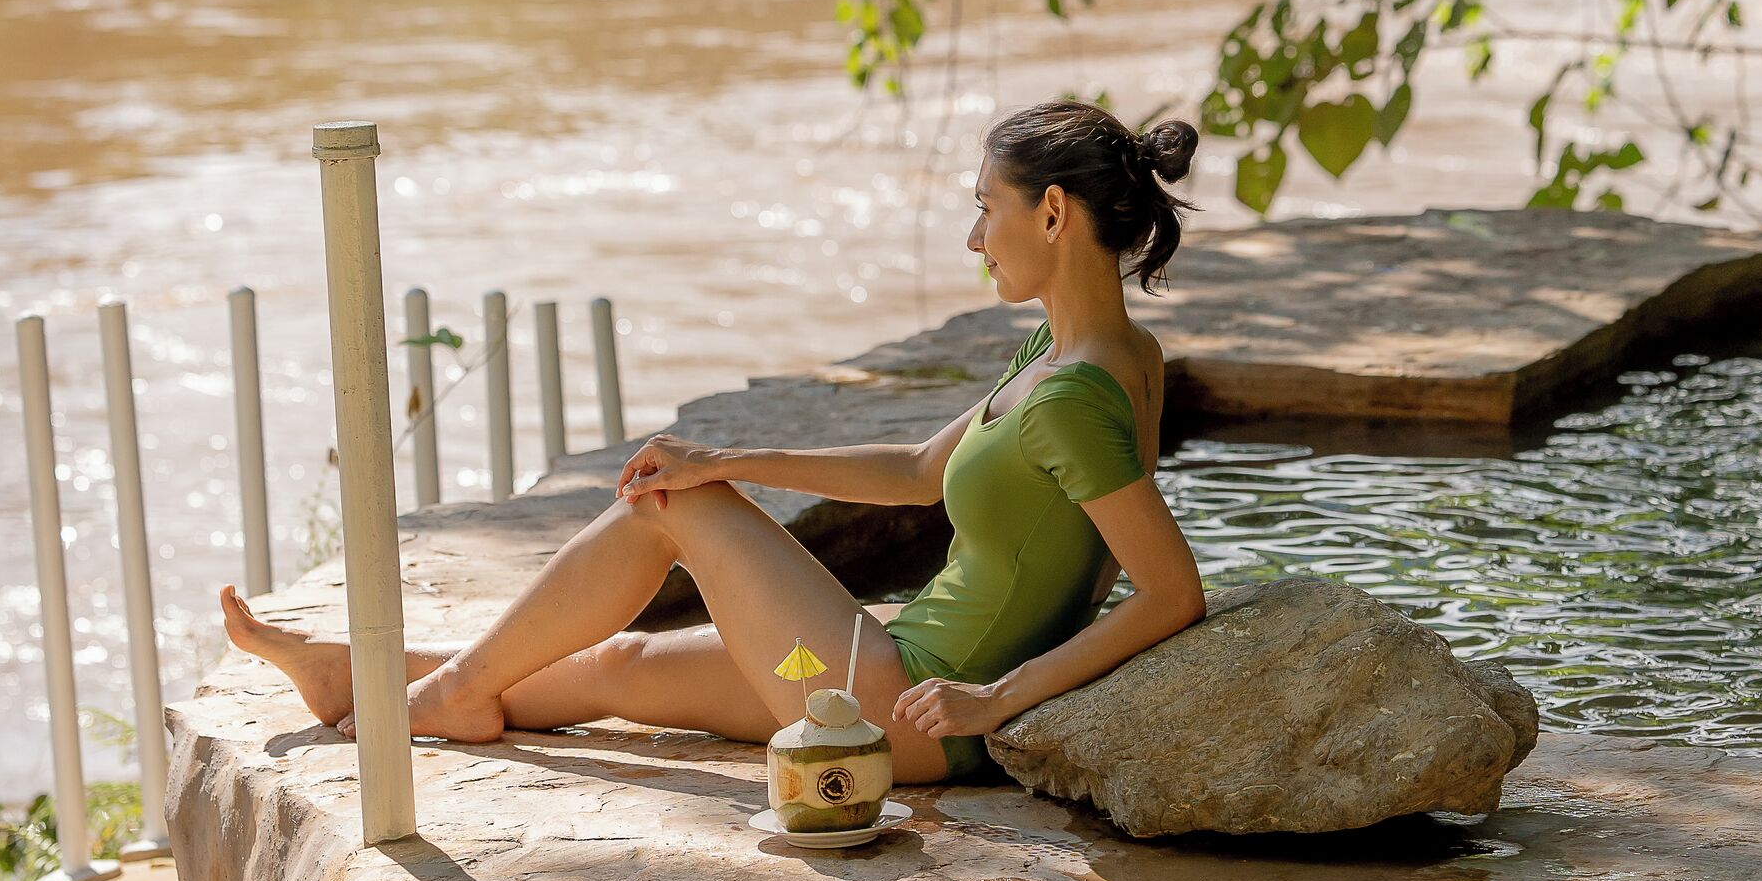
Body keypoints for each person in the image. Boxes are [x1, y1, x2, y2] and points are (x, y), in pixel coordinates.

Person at [218, 103, 1210, 781]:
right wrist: (730, 459)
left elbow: (1171, 591)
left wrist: (994, 700)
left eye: (984, 209)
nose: (975, 238)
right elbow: (914, 473)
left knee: (669, 504)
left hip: (893, 709)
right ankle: (378, 676)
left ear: (1051, 211)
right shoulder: (1094, 353)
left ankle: (448, 689)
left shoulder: (1073, 393)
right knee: (624, 667)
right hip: (871, 665)